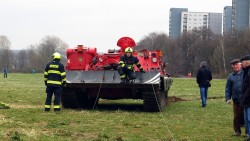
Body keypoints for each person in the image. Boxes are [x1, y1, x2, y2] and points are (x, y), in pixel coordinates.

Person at [225, 59, 244, 136]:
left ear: (240, 65)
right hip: (236, 100)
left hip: (246, 99)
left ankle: (248, 132)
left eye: (237, 64)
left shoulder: (246, 73)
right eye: (234, 65)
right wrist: (228, 98)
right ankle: (237, 131)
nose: (235, 66)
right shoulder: (231, 76)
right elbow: (228, 88)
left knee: (247, 116)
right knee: (236, 116)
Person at [240, 55, 250, 140]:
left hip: (248, 99)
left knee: (249, 118)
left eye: (242, 62)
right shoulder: (246, 71)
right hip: (246, 99)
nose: (241, 64)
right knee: (246, 119)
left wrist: (245, 96)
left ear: (247, 62)